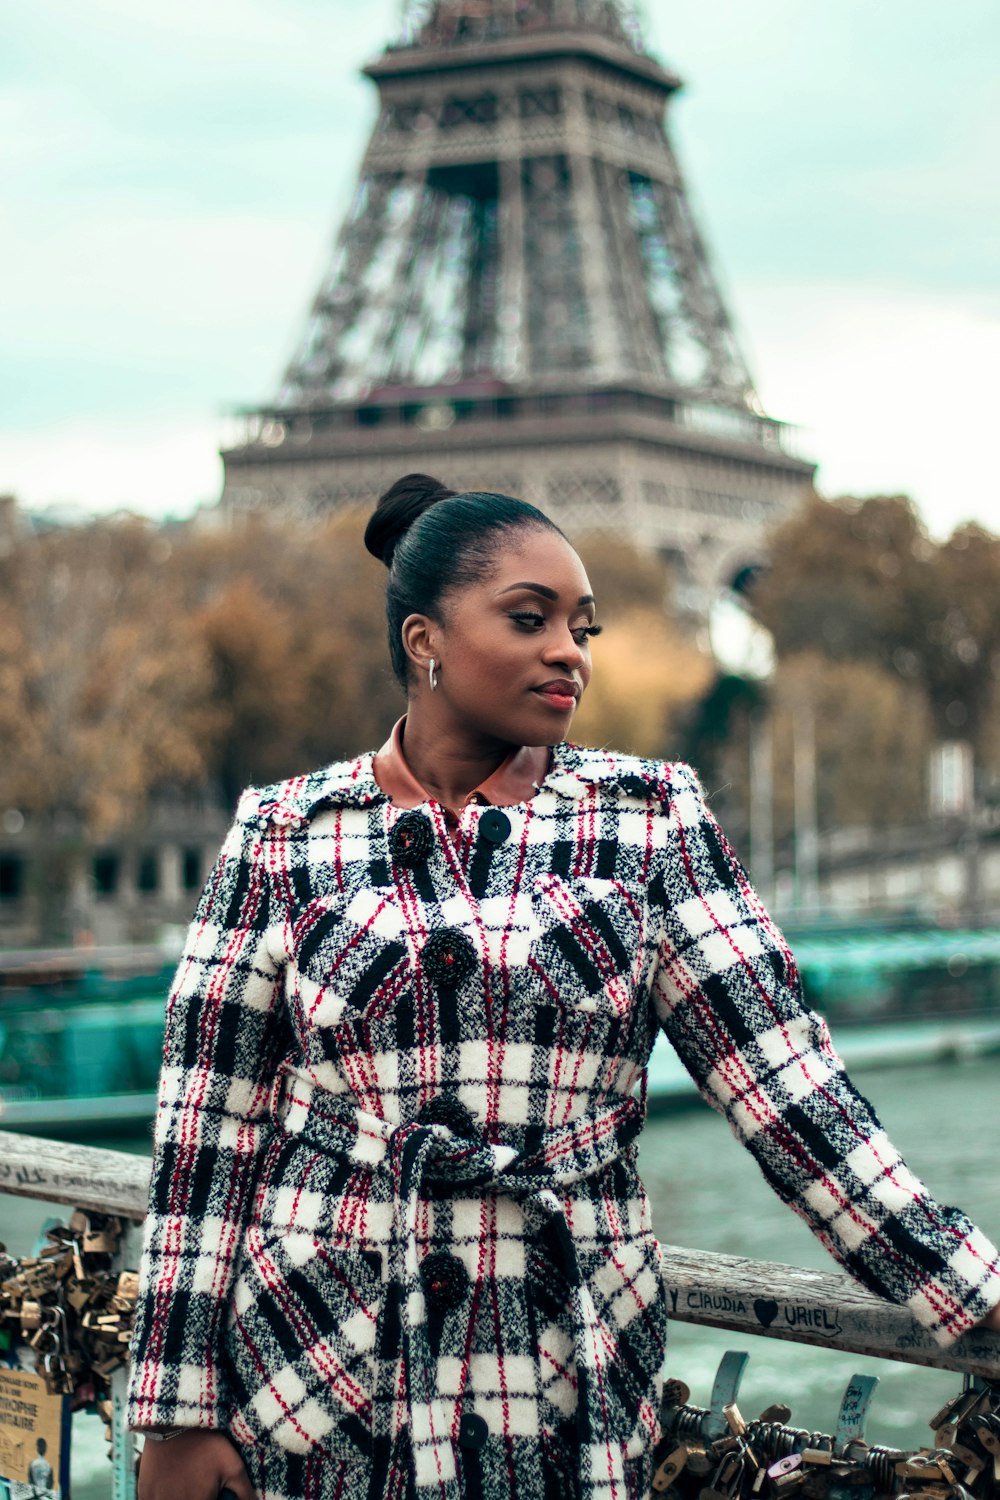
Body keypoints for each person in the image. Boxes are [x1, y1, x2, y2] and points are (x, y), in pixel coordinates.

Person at [129, 475, 1000, 1500]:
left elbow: (789, 1095)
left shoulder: (649, 821)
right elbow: (207, 1136)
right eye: (528, 618)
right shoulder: (283, 832)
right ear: (424, 640)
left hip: (560, 1371)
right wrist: (175, 1412)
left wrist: (971, 1292)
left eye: (581, 626)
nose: (568, 652)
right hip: (314, 1369)